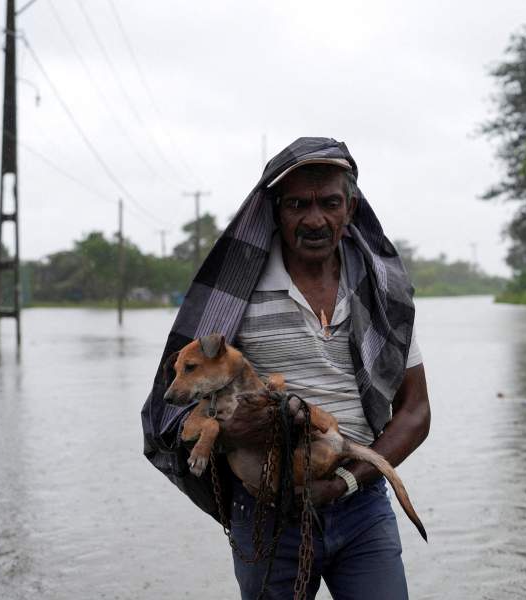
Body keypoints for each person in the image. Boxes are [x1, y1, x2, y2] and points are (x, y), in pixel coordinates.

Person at [141, 137, 430, 599]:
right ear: (276, 211)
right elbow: (173, 409)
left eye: (329, 202)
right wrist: (240, 429)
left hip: (362, 503)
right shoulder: (234, 297)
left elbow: (416, 412)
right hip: (265, 510)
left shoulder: (382, 292)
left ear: (350, 207)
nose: (315, 219)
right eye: (298, 204)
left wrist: (345, 484)